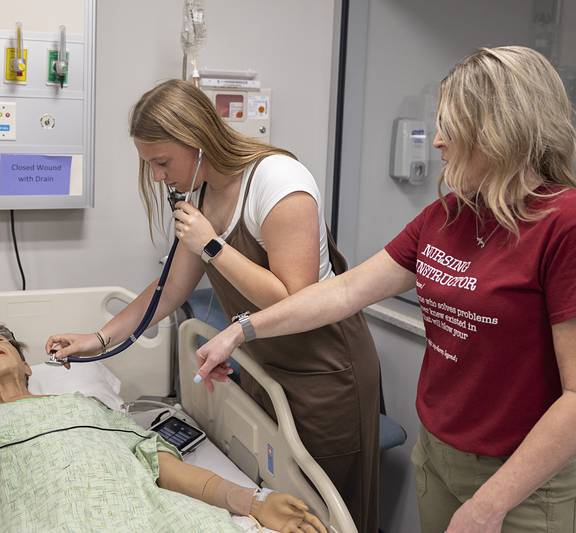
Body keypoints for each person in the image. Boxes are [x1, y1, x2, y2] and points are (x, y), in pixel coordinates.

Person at [195, 46, 576, 533]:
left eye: (450, 128)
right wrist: (242, 331)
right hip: (437, 454)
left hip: (519, 481)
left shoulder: (573, 226)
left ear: (498, 132)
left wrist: (490, 504)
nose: (436, 142)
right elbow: (343, 293)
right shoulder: (450, 215)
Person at [46, 79, 381, 532]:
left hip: (326, 372)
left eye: (163, 162)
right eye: (150, 165)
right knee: (285, 503)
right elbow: (169, 291)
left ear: (198, 140)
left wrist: (212, 245)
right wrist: (100, 338)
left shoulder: (279, 183)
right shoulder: (201, 193)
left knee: (324, 513)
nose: (159, 177)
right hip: (270, 366)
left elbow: (296, 299)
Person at [0, 323, 326, 533]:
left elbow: (163, 466)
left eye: (1, 341)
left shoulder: (89, 408)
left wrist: (253, 501)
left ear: (27, 366)